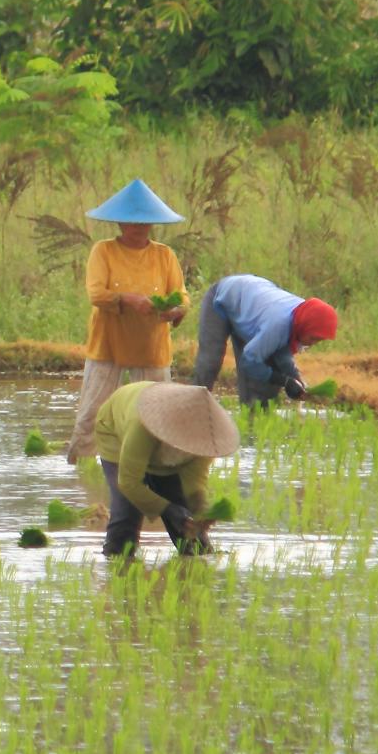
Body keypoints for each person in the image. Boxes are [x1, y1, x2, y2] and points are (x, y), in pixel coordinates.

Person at [65, 178, 188, 462]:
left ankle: (155, 468)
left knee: (157, 413)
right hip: (109, 342)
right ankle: (81, 467)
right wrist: (129, 300)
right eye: (132, 222)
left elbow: (181, 295)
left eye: (144, 223)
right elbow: (96, 293)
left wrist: (175, 310)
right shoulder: (104, 251)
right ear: (119, 223)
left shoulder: (164, 255)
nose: (138, 228)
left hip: (152, 345)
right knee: (93, 411)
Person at [94, 382, 239, 558]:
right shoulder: (141, 426)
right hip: (115, 434)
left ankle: (195, 576)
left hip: (161, 453)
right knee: (126, 518)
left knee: (193, 539)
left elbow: (194, 486)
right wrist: (167, 509)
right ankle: (116, 569)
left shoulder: (206, 440)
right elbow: (128, 482)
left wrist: (201, 511)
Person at [191, 274, 339, 406]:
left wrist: (297, 380)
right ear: (305, 325)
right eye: (313, 338)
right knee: (210, 362)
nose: (312, 344)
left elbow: (282, 353)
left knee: (261, 388)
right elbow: (248, 361)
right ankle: (193, 410)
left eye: (318, 341)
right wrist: (285, 381)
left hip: (252, 310)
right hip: (223, 298)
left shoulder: (301, 315)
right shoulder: (279, 323)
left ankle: (251, 430)